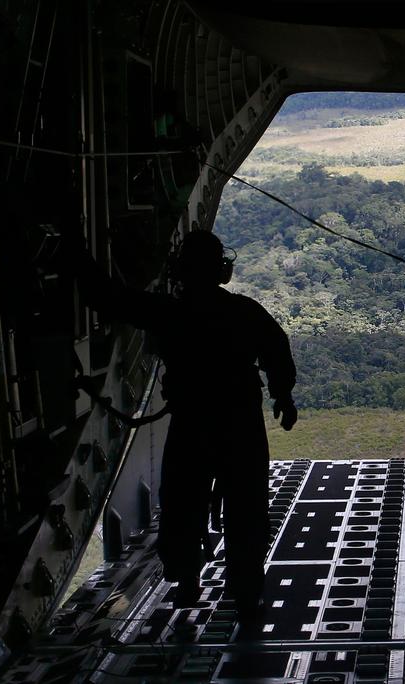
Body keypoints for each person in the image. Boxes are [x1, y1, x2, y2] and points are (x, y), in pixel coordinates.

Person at [72, 230, 297, 621]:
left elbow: (107, 296)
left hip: (192, 421)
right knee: (245, 508)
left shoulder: (168, 312)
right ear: (221, 271)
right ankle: (246, 594)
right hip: (238, 422)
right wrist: (283, 396)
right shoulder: (244, 311)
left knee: (182, 504)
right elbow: (276, 348)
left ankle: (188, 581)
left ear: (181, 272)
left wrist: (73, 248)